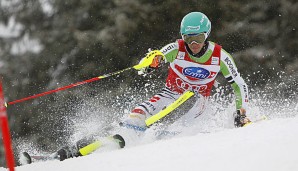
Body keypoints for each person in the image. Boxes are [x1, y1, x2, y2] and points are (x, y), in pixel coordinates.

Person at [52, 11, 251, 162]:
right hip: (170, 94)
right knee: (137, 114)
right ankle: (92, 144)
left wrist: (240, 112)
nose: (193, 43)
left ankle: (150, 143)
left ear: (206, 35)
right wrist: (151, 62)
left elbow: (239, 84)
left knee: (171, 124)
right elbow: (158, 55)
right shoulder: (178, 48)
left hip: (197, 102)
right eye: (189, 38)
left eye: (198, 38)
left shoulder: (220, 56)